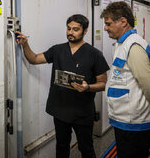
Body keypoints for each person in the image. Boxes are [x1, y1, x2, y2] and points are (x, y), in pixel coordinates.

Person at [16, 14, 109, 158]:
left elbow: (103, 83)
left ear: (85, 31)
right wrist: (25, 44)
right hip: (60, 110)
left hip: (82, 112)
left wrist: (88, 87)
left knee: (86, 149)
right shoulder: (57, 50)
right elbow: (33, 59)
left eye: (76, 29)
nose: (70, 32)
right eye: (69, 28)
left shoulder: (94, 55)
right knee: (61, 147)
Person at [100, 1, 150, 158]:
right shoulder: (122, 44)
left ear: (123, 22)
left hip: (135, 124)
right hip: (127, 121)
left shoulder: (133, 47)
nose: (105, 28)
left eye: (108, 24)